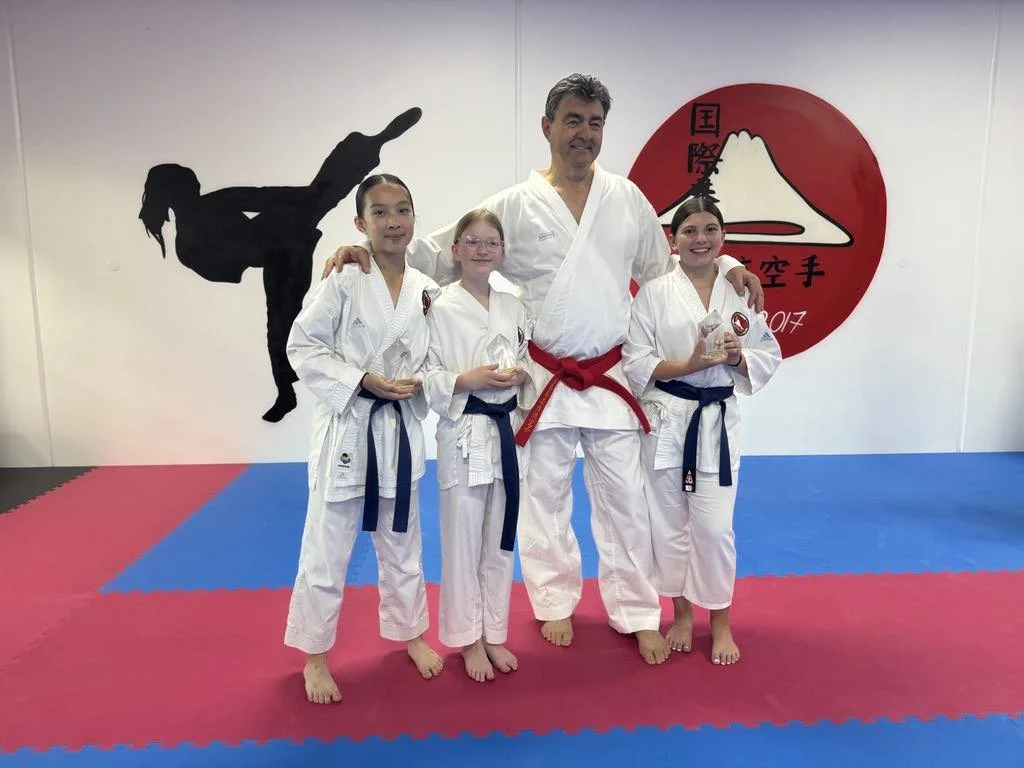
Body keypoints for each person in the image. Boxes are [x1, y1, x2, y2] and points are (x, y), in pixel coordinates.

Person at [322, 74, 765, 665]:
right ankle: (554, 600)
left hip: (610, 376)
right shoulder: (512, 205)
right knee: (543, 496)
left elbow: (671, 268)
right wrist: (367, 253)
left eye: (596, 123)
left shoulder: (626, 199)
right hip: (543, 376)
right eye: (574, 120)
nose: (585, 133)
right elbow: (435, 251)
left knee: (626, 501)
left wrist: (729, 260)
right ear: (547, 128)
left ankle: (635, 610)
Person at [138, 107, 422, 423]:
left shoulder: (214, 206)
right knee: (282, 324)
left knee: (283, 316)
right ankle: (363, 147)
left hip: (284, 242)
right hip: (279, 246)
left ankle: (364, 147)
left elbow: (264, 197)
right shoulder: (193, 235)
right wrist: (294, 211)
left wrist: (302, 202)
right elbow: (224, 260)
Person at [283, 173, 445, 704]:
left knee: (404, 543)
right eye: (380, 213)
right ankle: (314, 656)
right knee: (327, 548)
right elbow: (302, 345)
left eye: (403, 210)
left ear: (415, 217)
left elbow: (437, 354)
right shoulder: (344, 278)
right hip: (350, 428)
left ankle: (411, 634)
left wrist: (419, 383)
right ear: (361, 223)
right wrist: (360, 381)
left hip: (399, 428)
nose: (393, 221)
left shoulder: (427, 288)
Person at [622, 197, 782, 666]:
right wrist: (687, 364)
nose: (701, 239)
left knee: (713, 529)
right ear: (674, 240)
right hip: (668, 417)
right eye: (690, 230)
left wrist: (736, 357)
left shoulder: (741, 292)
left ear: (722, 237)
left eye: (710, 229)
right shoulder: (653, 292)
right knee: (669, 527)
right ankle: (682, 612)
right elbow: (636, 360)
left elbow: (768, 352)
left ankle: (721, 621)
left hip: (716, 421)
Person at [423, 208, 530, 682]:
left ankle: (494, 632)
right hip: (464, 431)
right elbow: (423, 372)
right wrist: (463, 379)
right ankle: (468, 640)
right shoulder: (438, 306)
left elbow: (528, 359)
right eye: (472, 240)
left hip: (504, 430)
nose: (482, 249)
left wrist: (523, 375)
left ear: (503, 252)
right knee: (462, 539)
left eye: (491, 242)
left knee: (499, 539)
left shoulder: (514, 304)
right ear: (455, 250)